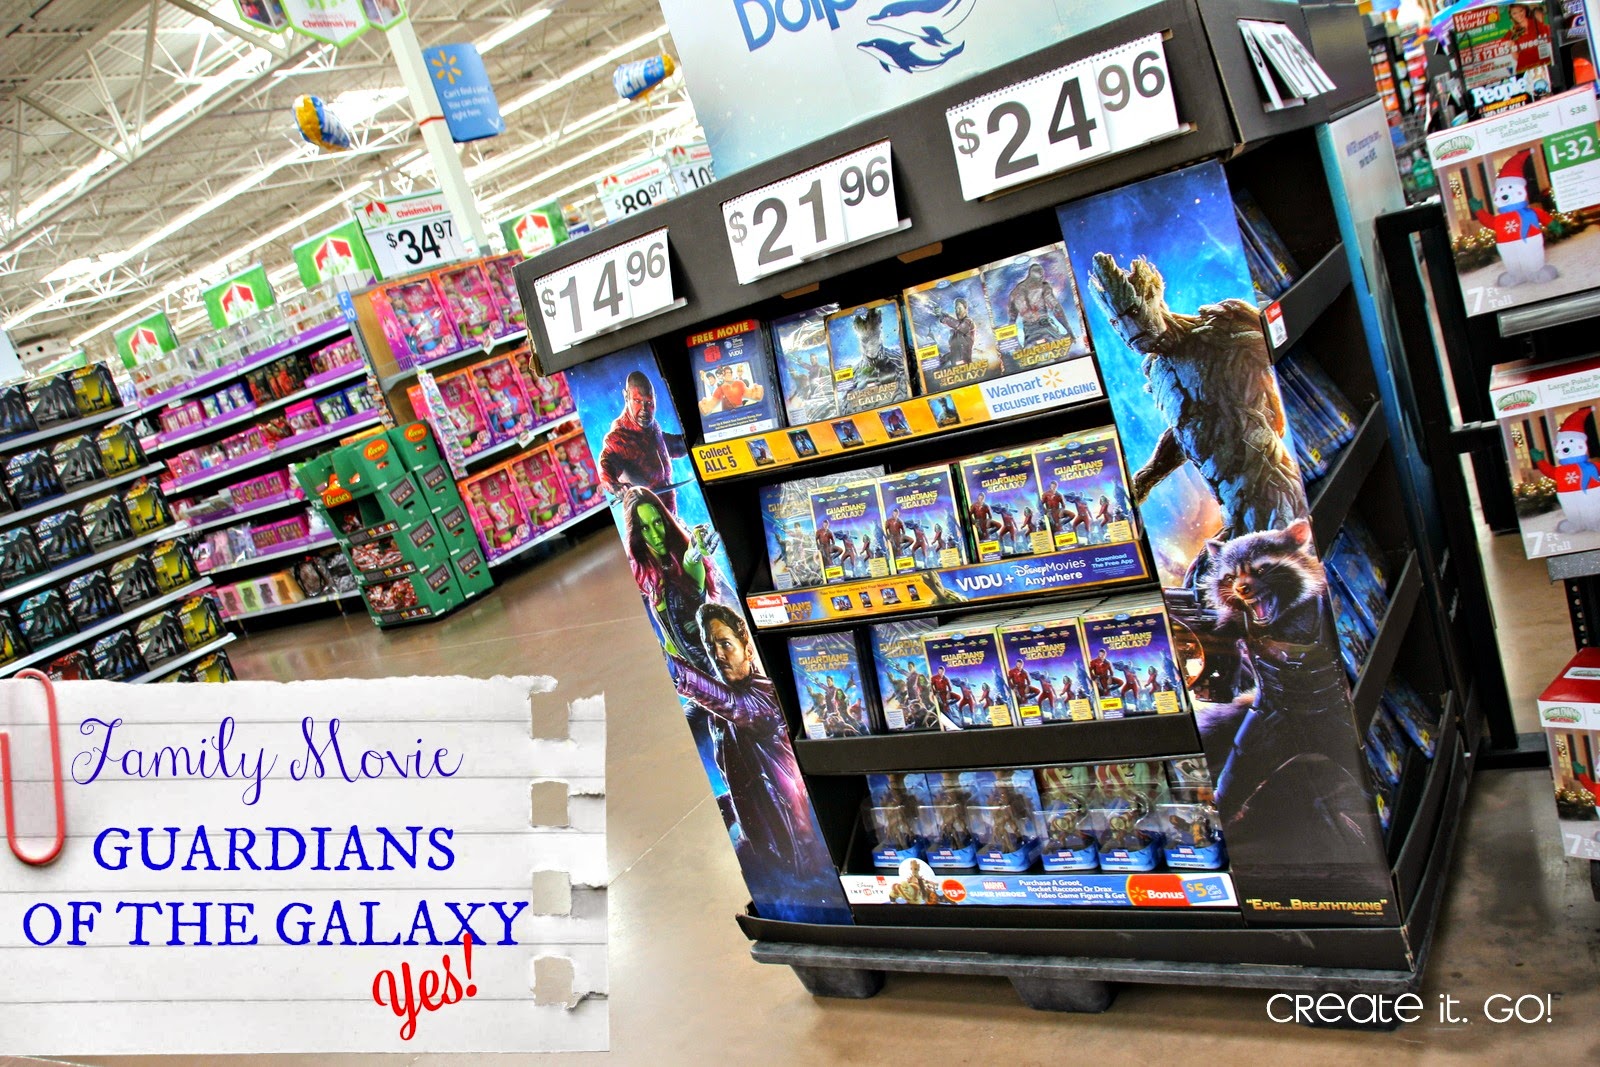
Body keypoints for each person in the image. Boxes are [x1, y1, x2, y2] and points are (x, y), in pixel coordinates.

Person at [671, 602, 816, 875]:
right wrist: (726, 807)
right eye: (710, 645)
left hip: (798, 856)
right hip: (763, 849)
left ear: (747, 648)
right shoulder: (720, 706)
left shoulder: (763, 698)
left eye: (725, 644)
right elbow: (750, 779)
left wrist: (674, 669)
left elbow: (730, 703)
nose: (717, 654)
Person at [622, 486, 722, 672]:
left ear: (666, 521)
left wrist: (695, 550)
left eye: (657, 522)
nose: (655, 535)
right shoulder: (645, 577)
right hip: (684, 674)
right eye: (645, 527)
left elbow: (691, 562)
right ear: (636, 533)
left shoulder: (682, 567)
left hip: (712, 669)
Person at [600, 371, 687, 512]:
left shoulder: (652, 427)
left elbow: (668, 446)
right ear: (626, 397)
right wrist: (615, 487)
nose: (644, 409)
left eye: (649, 403)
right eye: (637, 401)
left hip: (669, 509)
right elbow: (606, 467)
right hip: (647, 513)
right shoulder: (618, 438)